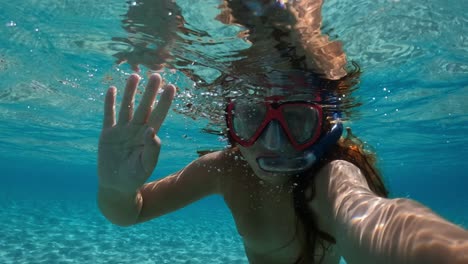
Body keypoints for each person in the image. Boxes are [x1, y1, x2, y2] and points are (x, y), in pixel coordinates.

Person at [98, 1, 468, 263]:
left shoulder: (331, 176)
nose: (271, 141)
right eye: (251, 117)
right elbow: (132, 212)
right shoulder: (226, 170)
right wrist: (118, 188)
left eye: (296, 120)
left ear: (323, 125)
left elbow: (375, 220)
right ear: (231, 124)